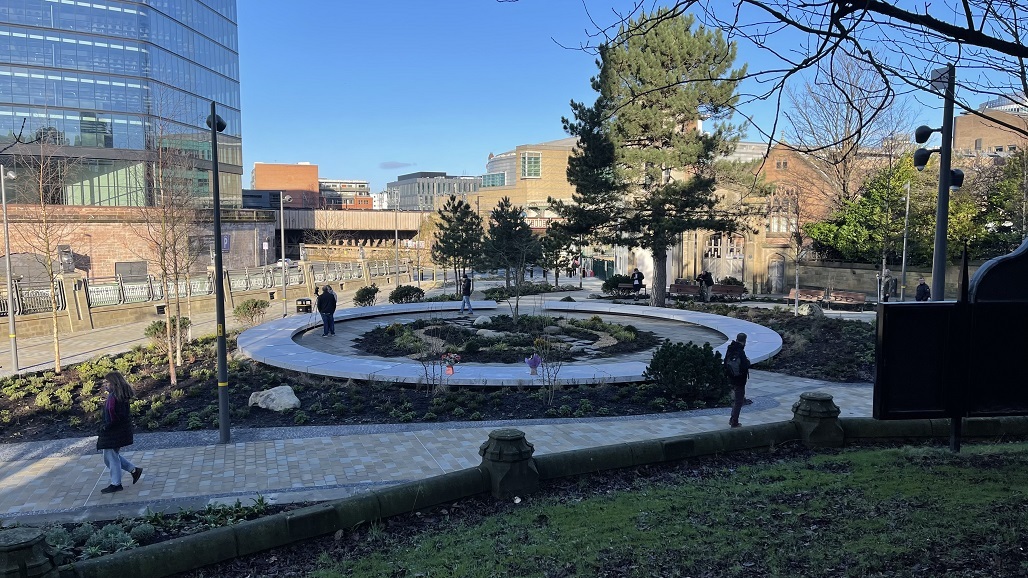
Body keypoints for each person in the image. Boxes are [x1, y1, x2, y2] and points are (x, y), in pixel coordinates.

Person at [96, 371, 142, 494]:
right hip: (118, 430)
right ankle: (134, 470)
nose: (105, 385)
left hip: (114, 431)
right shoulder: (118, 395)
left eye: (107, 382)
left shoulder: (114, 397)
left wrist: (107, 426)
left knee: (111, 457)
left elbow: (113, 415)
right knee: (109, 457)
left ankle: (116, 484)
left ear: (113, 383)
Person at [725, 333, 751, 428]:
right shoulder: (740, 352)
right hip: (739, 380)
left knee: (735, 400)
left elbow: (725, 363)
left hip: (731, 378)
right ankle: (734, 421)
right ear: (744, 341)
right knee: (739, 401)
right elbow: (744, 367)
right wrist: (748, 362)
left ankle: (732, 419)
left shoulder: (730, 348)